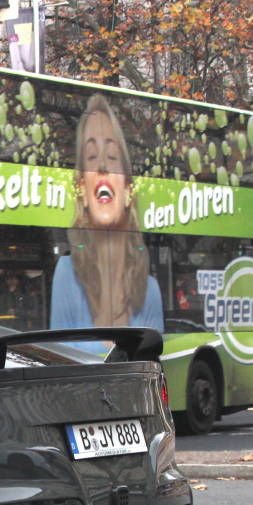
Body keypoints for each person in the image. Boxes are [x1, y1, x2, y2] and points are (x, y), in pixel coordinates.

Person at [50, 94, 162, 339]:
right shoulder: (66, 276)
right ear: (83, 192)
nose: (101, 165)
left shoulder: (150, 291)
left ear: (128, 190)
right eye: (91, 157)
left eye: (112, 156)